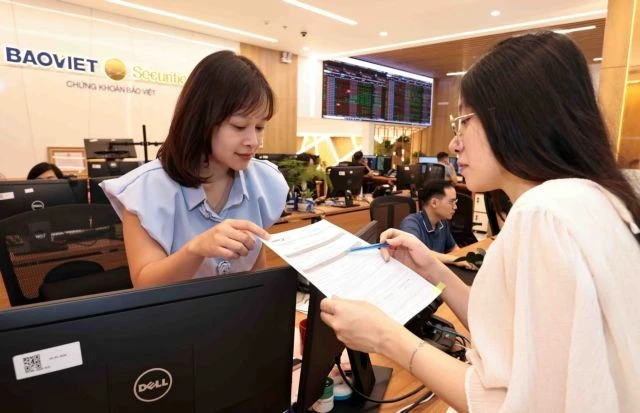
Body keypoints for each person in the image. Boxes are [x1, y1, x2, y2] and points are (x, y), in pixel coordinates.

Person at [320, 31, 640, 412]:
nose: (455, 143)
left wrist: (387, 338)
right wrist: (431, 270)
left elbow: (514, 403)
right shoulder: (594, 200)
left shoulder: (544, 214)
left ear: (515, 120)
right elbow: (510, 335)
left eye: (464, 121)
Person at [101, 50, 288, 288]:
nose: (254, 141)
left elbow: (254, 260)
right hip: (177, 320)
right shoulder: (145, 190)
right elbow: (145, 285)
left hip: (238, 317)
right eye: (239, 126)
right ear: (201, 119)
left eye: (260, 127)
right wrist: (196, 249)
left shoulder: (265, 182)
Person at [399, 180, 468, 265]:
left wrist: (465, 260)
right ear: (434, 203)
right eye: (451, 202)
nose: (455, 207)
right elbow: (417, 252)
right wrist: (454, 260)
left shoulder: (443, 223)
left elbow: (453, 248)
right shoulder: (411, 224)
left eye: (455, 202)